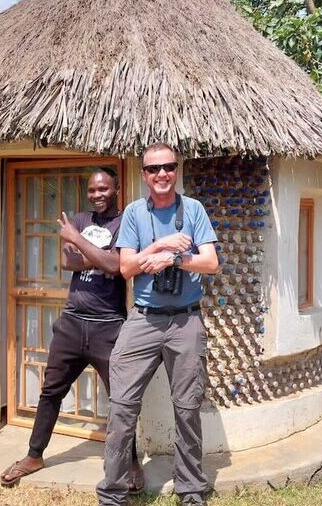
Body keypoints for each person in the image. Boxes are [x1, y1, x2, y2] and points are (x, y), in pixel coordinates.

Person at [1, 167, 144, 492]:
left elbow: (117, 267)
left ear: (116, 189)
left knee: (121, 398)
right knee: (51, 391)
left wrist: (81, 245)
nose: (97, 195)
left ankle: (131, 460)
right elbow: (68, 262)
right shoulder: (79, 218)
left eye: (103, 188)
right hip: (71, 322)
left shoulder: (124, 224)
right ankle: (34, 455)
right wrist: (99, 256)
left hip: (109, 326)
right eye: (92, 190)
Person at [96, 143, 219, 506]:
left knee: (187, 409)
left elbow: (211, 263)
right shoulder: (134, 213)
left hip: (186, 321)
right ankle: (112, 494)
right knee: (121, 407)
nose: (161, 174)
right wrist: (159, 246)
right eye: (153, 169)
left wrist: (173, 259)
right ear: (143, 174)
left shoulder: (193, 209)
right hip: (144, 321)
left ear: (176, 170)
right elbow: (126, 268)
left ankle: (192, 492)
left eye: (168, 167)